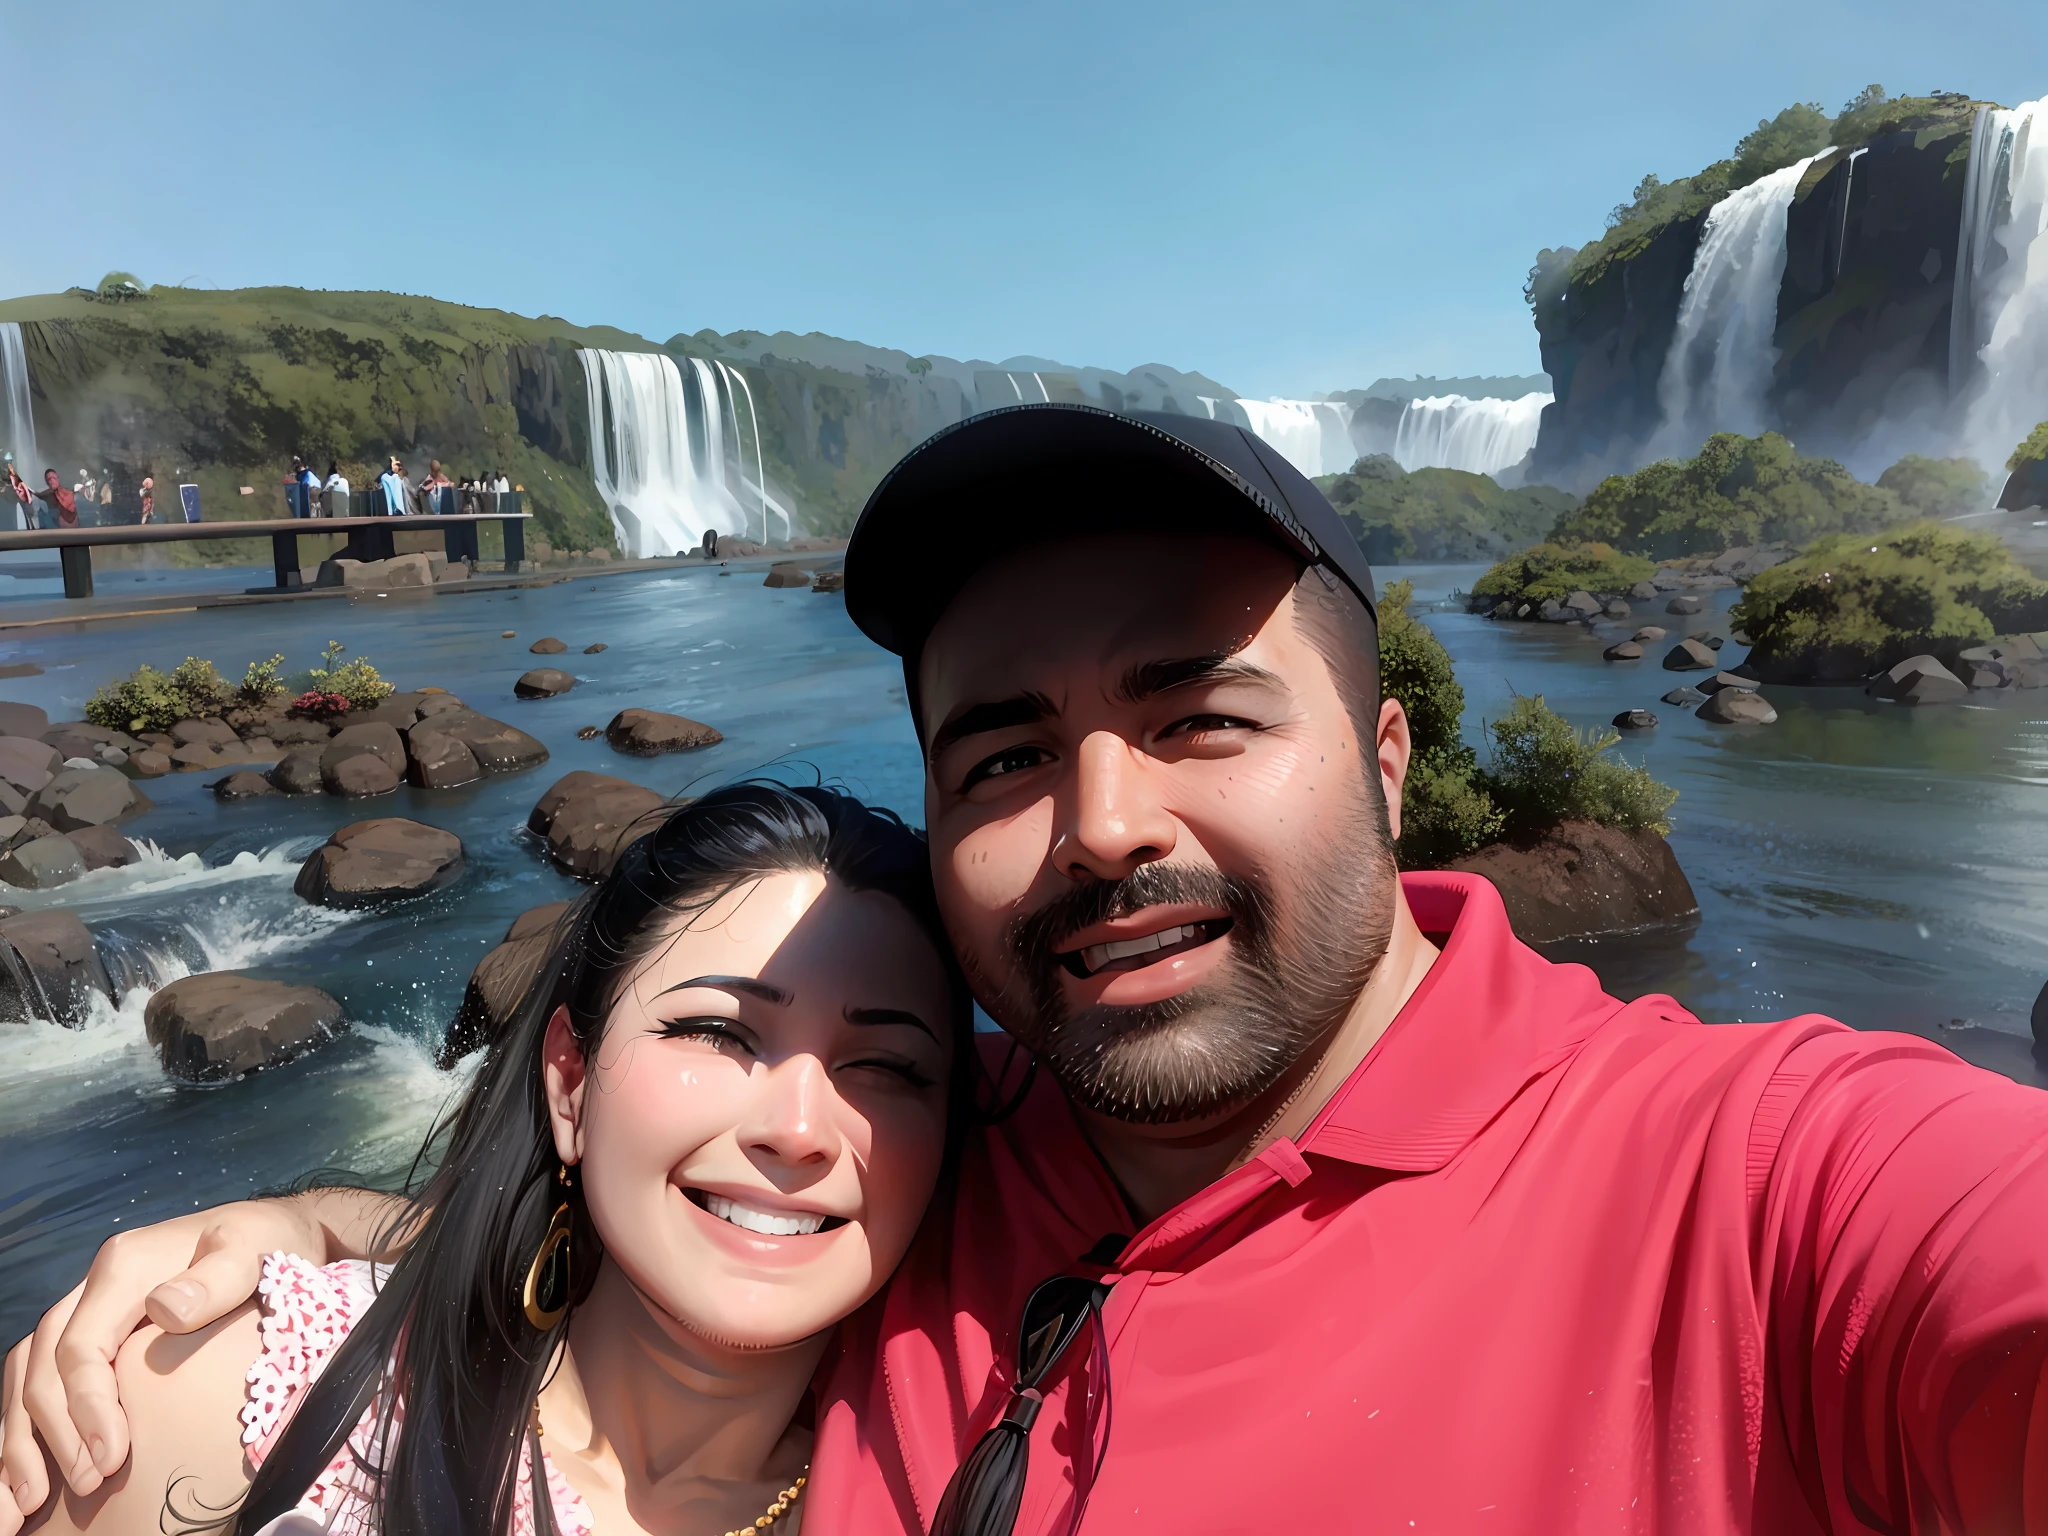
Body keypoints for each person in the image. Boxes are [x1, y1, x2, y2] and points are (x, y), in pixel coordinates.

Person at [10, 406, 2048, 1536]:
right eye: (1002, 750)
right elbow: (679, 1188)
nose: (1100, 823)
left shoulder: (1755, 1190)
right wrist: (303, 1227)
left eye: (1203, 716)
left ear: (1394, 759)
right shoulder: (956, 1144)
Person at [3, 782, 968, 1536]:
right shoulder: (229, 1398)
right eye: (717, 1034)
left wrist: (318, 1210)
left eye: (886, 1065)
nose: (798, 1129)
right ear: (568, 1082)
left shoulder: (973, 1480)